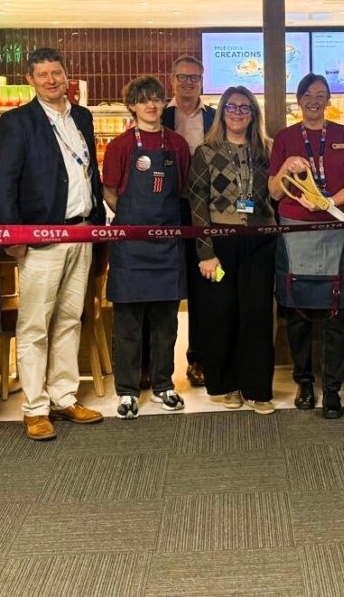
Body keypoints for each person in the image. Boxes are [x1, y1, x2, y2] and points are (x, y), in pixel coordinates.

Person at [0, 47, 104, 441]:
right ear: (31, 80)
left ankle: (64, 396)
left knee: (71, 320)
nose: (52, 80)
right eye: (43, 75)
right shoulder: (17, 122)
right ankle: (35, 407)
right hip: (40, 238)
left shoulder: (83, 117)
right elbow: (1, 182)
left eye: (57, 72)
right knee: (35, 325)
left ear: (67, 76)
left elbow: (90, 172)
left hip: (82, 232)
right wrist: (13, 236)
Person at [269, 73, 344, 420]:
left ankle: (333, 390)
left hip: (335, 229)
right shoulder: (284, 138)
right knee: (297, 314)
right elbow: (274, 191)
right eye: (307, 95)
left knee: (335, 314)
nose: (313, 100)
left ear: (329, 101)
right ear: (298, 99)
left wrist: (328, 204)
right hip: (294, 232)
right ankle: (304, 383)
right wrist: (284, 168)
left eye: (320, 95)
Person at [103, 75, 191, 420]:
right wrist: (131, 221)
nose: (151, 105)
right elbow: (110, 191)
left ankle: (163, 385)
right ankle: (126, 391)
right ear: (132, 106)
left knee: (165, 322)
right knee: (127, 323)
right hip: (130, 245)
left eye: (156, 98)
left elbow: (182, 189)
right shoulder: (121, 146)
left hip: (168, 244)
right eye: (144, 100)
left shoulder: (178, 144)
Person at [188, 86, 276, 414]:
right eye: (231, 108)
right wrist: (205, 252)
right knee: (222, 313)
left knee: (256, 314)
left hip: (260, 243)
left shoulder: (267, 151)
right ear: (222, 112)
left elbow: (278, 196)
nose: (237, 113)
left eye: (244, 108)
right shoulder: (206, 152)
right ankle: (227, 385)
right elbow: (197, 204)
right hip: (220, 246)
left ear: (254, 114)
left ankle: (258, 389)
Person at [163, 55, 216, 388]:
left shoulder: (213, 117)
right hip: (169, 210)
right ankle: (158, 368)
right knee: (167, 289)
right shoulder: (160, 114)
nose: (188, 83)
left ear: (202, 80)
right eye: (182, 77)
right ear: (172, 79)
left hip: (206, 212)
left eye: (194, 78)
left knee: (205, 288)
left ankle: (199, 360)